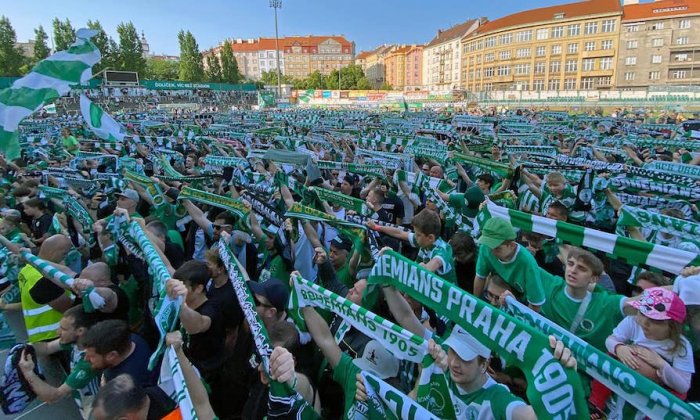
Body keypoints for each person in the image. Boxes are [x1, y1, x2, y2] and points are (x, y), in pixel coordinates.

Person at [589, 288, 695, 416]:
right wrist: (619, 348)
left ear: (672, 326)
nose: (645, 323)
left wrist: (661, 364)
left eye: (655, 320)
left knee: (679, 396)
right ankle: (596, 404)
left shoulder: (681, 345)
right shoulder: (633, 321)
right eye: (642, 313)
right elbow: (610, 340)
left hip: (660, 387)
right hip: (627, 368)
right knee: (608, 357)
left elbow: (684, 386)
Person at [18, 306, 100, 418]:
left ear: (80, 331)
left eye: (64, 329)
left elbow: (55, 395)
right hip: (84, 402)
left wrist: (28, 373)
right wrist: (23, 349)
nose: (58, 332)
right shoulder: (75, 342)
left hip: (94, 407)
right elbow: (47, 347)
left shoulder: (88, 361)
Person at [473, 217, 546, 311]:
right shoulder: (486, 247)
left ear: (511, 245)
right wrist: (475, 305)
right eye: (489, 245)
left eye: (497, 248)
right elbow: (480, 277)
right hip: (495, 295)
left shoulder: (528, 263)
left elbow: (535, 304)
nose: (491, 251)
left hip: (521, 303)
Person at [367, 209, 457, 283]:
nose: (415, 236)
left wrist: (424, 267)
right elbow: (400, 233)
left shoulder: (443, 249)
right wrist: (377, 227)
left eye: (418, 234)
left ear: (430, 237)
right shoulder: (425, 240)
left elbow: (432, 266)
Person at [81, 319, 155, 387]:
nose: (85, 358)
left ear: (112, 356)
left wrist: (105, 391)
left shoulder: (128, 384)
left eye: (91, 356)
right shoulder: (128, 339)